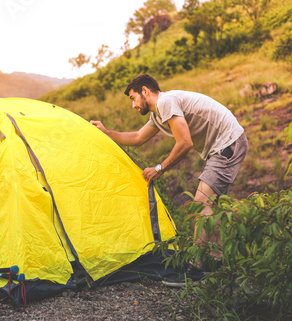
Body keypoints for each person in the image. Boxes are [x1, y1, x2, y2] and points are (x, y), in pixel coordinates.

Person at [91, 74, 248, 264]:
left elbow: (185, 142)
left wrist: (159, 168)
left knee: (201, 203)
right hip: (223, 145)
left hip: (228, 143)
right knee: (210, 207)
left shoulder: (166, 102)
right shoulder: (158, 113)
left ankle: (195, 264)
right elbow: (138, 137)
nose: (133, 105)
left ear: (145, 91)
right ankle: (216, 262)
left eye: (133, 98)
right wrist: (107, 133)